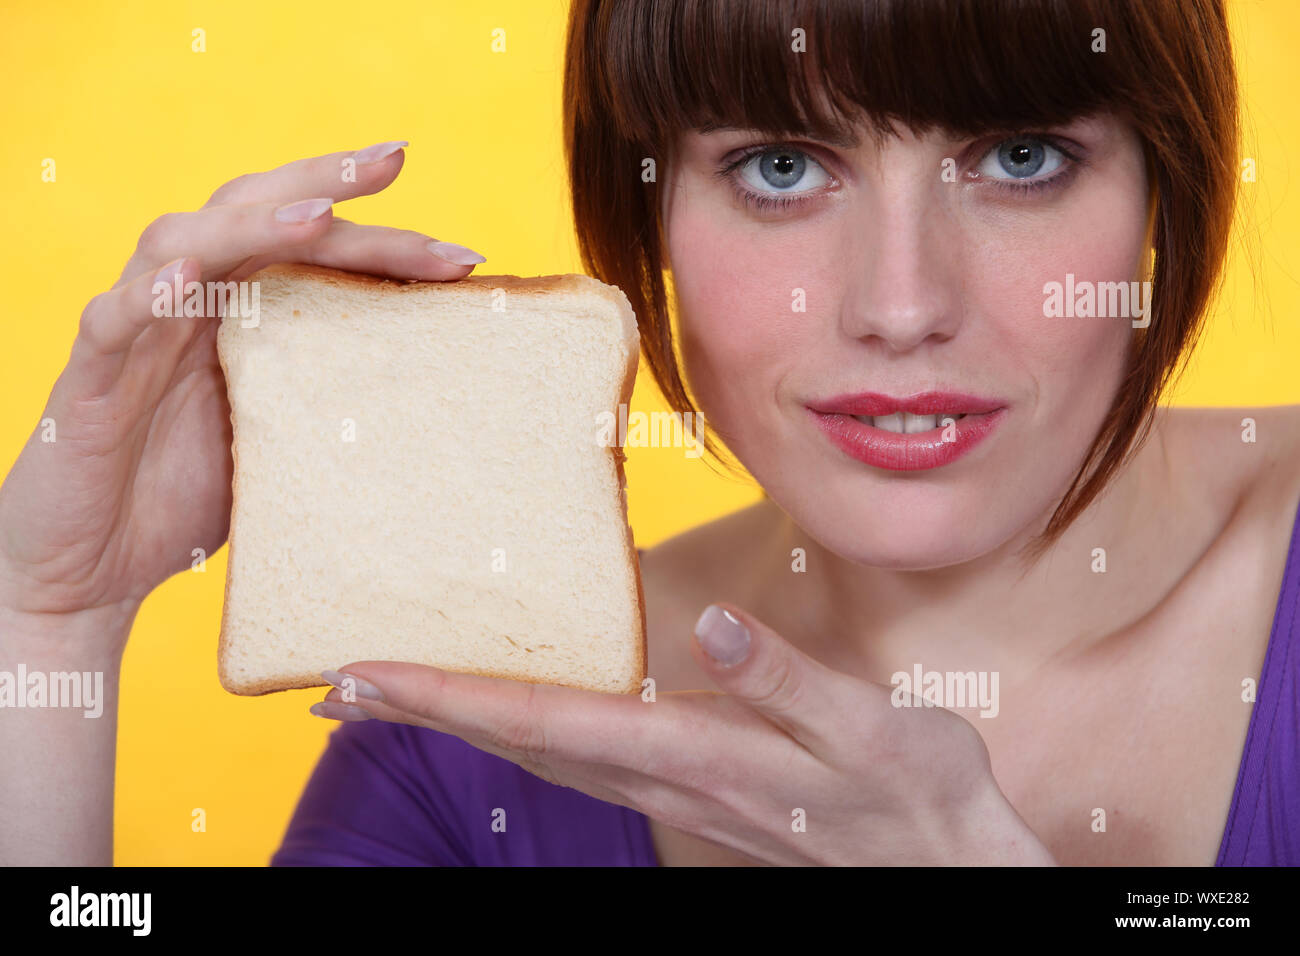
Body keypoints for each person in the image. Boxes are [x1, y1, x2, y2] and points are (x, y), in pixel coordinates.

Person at [1, 0, 1292, 866]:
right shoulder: (469, 745)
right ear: (651, 220)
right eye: (781, 167)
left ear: (1162, 190)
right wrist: (48, 624)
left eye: (1019, 158)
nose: (902, 307)